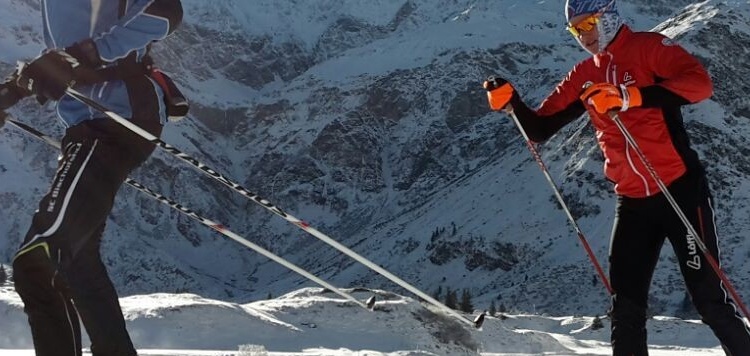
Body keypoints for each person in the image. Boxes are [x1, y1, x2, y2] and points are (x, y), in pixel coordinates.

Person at [483, 0, 750, 355]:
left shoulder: (649, 49)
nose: (584, 36)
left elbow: (700, 85)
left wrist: (629, 97)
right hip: (633, 203)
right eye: (576, 30)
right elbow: (541, 127)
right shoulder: (584, 74)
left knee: (709, 301)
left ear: (608, 16)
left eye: (589, 24)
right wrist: (512, 102)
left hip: (679, 191)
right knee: (625, 309)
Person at [0, 0, 183, 355]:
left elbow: (165, 11)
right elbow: (63, 55)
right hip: (88, 127)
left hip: (117, 120)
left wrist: (88, 53)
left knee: (36, 263)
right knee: (76, 264)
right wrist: (13, 91)